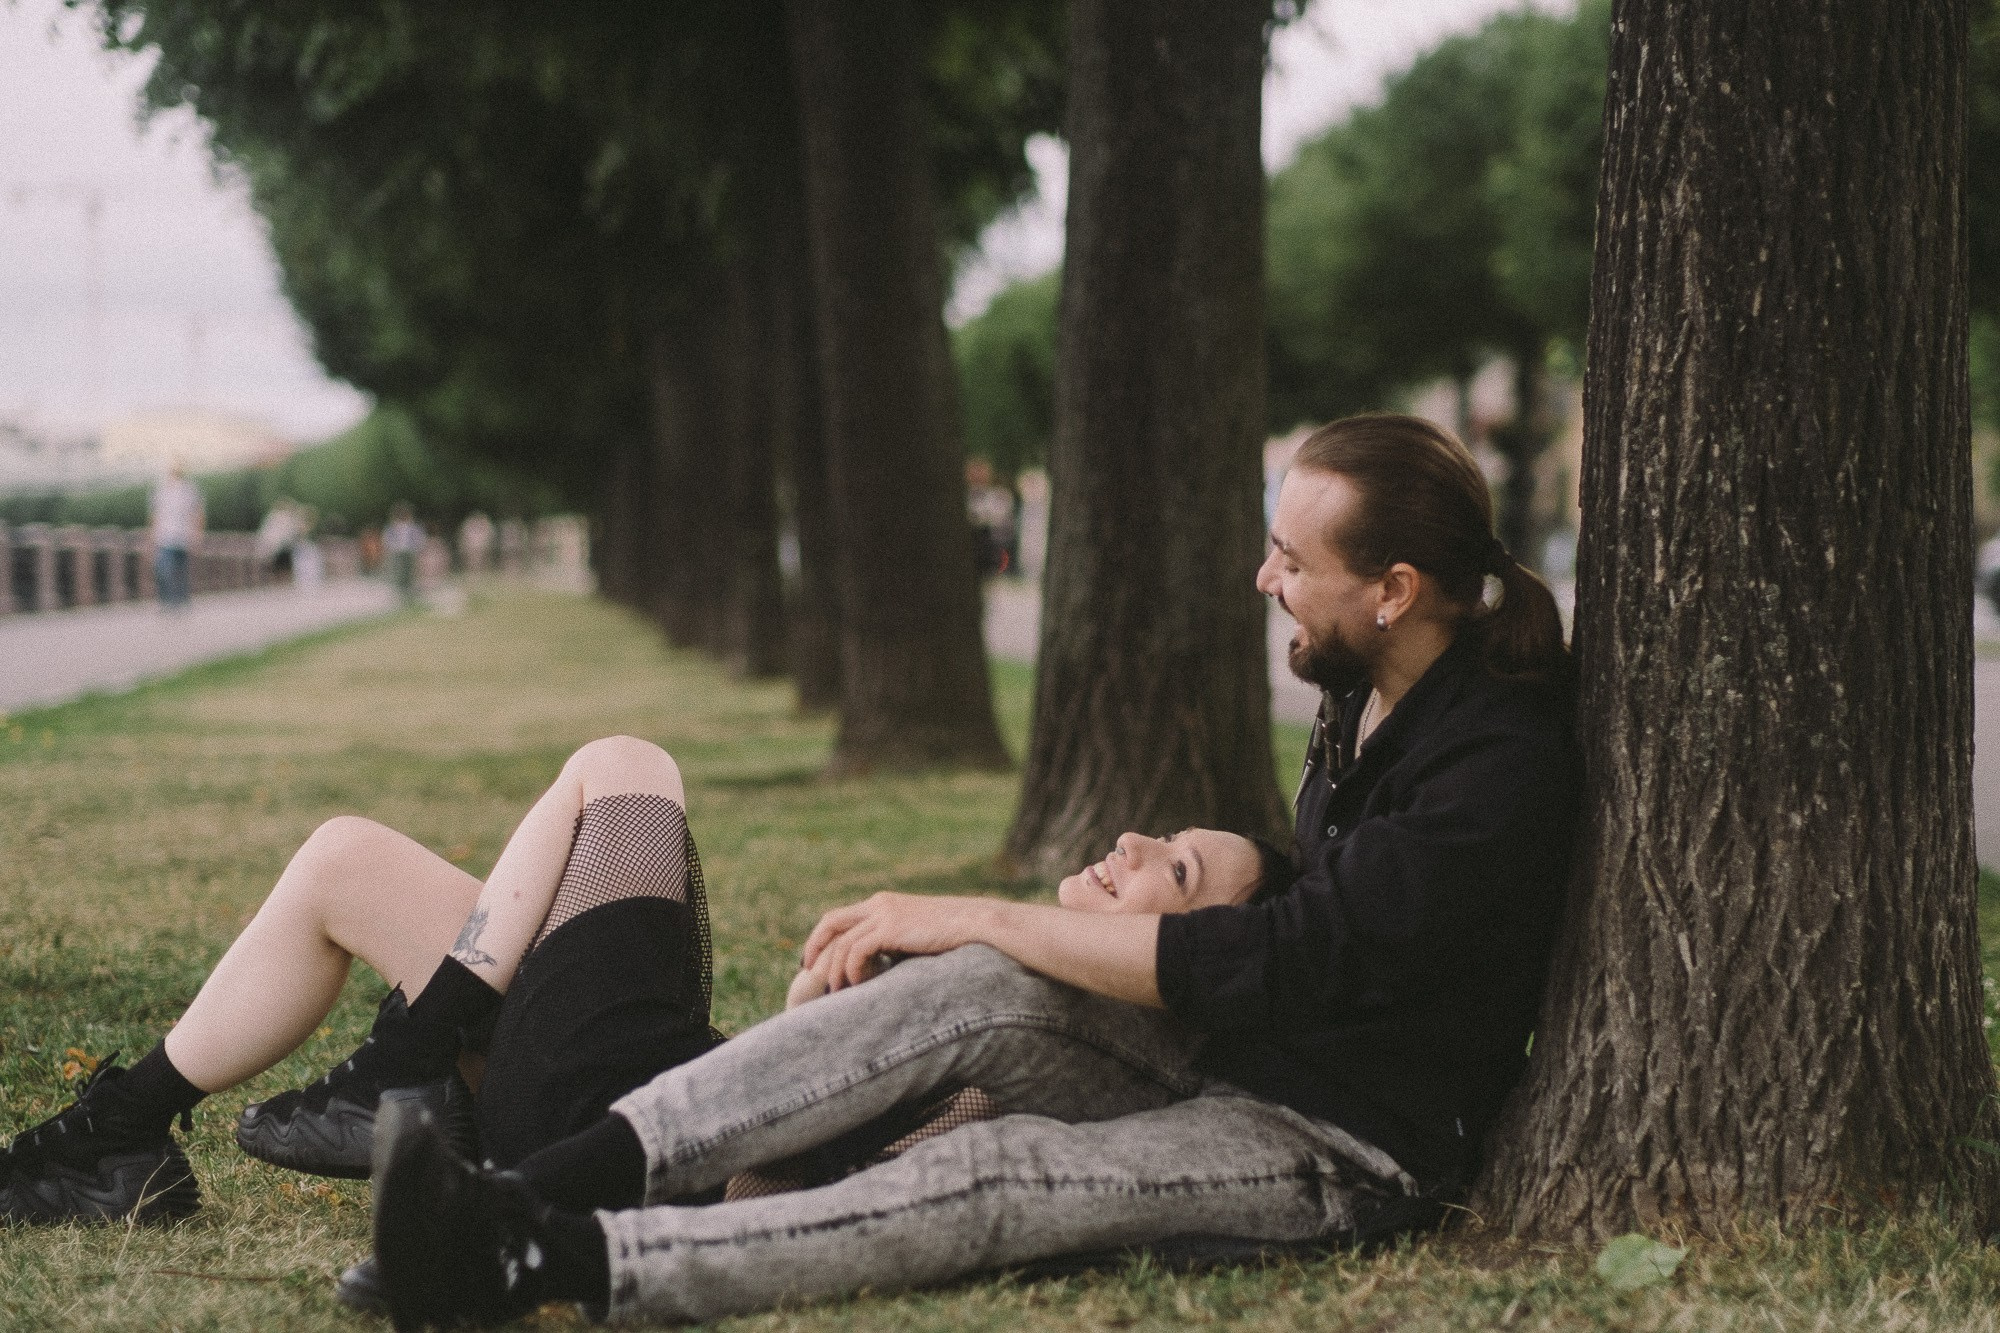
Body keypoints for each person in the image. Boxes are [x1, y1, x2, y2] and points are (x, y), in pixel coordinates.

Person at [356, 412, 1581, 1327]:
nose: (1266, 581)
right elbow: (1320, 897)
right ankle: (524, 1189)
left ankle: (537, 1261)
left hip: (1347, 1144)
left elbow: (1306, 950)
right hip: (1238, 1050)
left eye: (1290, 562)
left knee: (1000, 1175)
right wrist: (1204, 869)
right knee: (975, 987)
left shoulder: (1496, 759)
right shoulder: (1364, 687)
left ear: (1392, 591)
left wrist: (977, 910)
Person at [0, 736, 1277, 1229]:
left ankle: (409, 1060)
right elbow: (815, 1079)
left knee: (626, 769)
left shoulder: (1075, 1048)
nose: (1129, 843)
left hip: (614, 1119)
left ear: (1200, 957)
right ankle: (121, 1138)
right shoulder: (1024, 978)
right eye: (1157, 833)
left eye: (1172, 868)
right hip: (635, 1076)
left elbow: (824, 1172)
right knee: (346, 859)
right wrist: (817, 1006)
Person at [149, 462, 204, 611]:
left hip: (183, 536)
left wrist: (197, 534)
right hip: (165, 536)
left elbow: (197, 513)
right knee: (164, 568)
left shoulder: (189, 490)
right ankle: (168, 601)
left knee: (180, 569)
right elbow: (155, 515)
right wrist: (153, 535)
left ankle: (181, 600)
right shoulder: (161, 490)